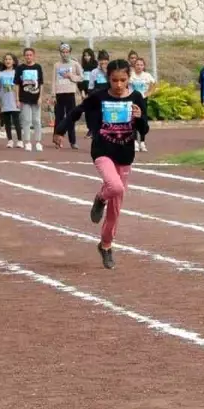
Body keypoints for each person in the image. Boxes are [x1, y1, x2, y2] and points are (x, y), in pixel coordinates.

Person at [52, 58, 150, 270]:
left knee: (115, 212)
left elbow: (144, 129)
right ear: (108, 79)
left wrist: (140, 117)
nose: (118, 85)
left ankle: (105, 245)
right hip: (103, 151)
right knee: (114, 187)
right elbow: (77, 111)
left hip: (124, 155)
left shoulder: (136, 98)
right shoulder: (99, 97)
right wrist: (59, 130)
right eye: (114, 80)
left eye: (123, 80)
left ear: (128, 79)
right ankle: (99, 198)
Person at [53, 43, 83, 151]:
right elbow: (54, 80)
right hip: (59, 93)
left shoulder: (74, 64)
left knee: (71, 117)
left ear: (70, 52)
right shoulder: (57, 65)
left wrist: (72, 76)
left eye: (67, 52)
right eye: (63, 52)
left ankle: (73, 141)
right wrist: (53, 95)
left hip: (70, 93)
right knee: (59, 118)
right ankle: (57, 140)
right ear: (60, 53)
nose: (65, 54)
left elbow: (81, 77)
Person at [16, 47, 45, 152]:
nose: (28, 57)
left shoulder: (38, 67)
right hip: (24, 98)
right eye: (26, 55)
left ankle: (38, 141)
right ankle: (27, 141)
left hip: (35, 97)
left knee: (36, 120)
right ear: (24, 56)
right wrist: (17, 99)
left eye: (30, 55)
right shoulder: (20, 68)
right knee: (26, 120)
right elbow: (17, 85)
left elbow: (41, 83)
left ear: (33, 56)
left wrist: (40, 97)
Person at [0, 53, 23, 148]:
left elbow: (20, 86)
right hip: (5, 101)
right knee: (7, 122)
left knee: (16, 121)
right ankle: (10, 140)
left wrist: (19, 99)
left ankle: (20, 140)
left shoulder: (17, 73)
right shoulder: (1, 74)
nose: (8, 61)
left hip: (14, 100)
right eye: (6, 59)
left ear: (13, 61)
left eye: (10, 59)